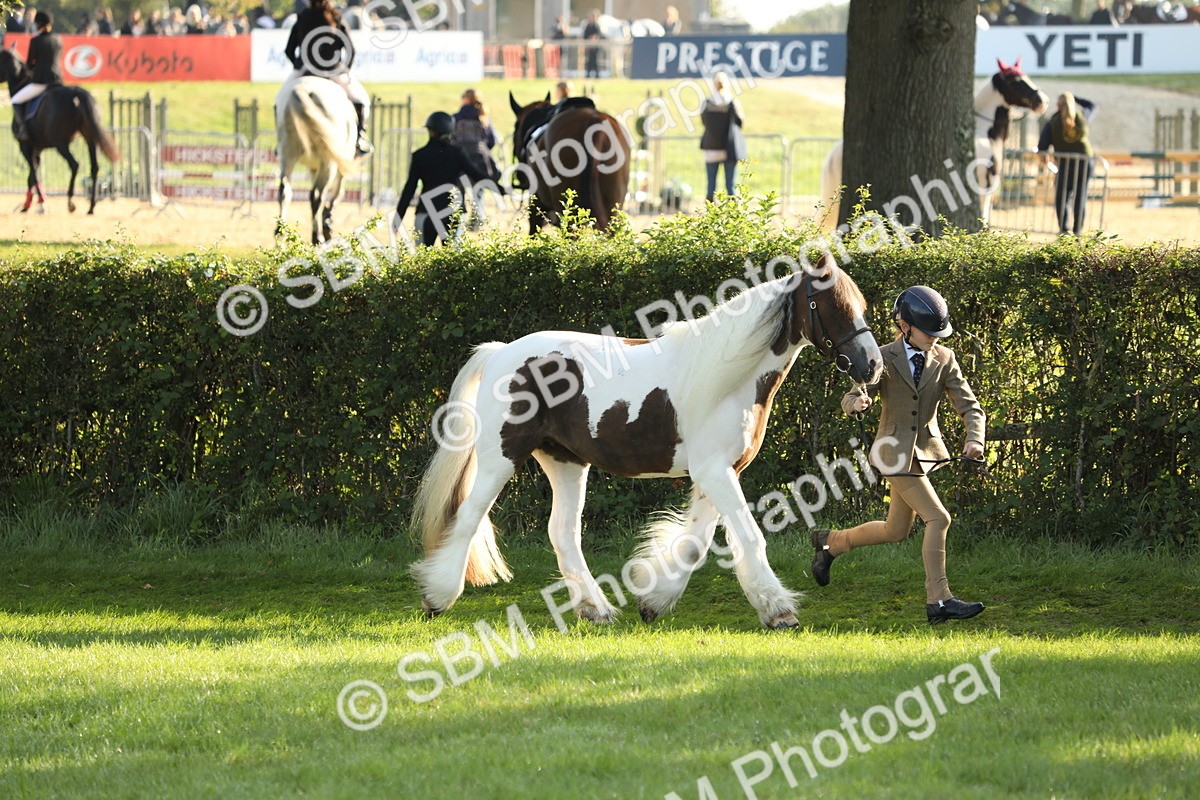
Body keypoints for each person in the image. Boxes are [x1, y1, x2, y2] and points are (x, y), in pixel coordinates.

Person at [810, 286, 988, 626]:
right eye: (928, 332)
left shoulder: (945, 359)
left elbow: (970, 407)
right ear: (904, 326)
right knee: (939, 519)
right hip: (891, 453)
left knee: (896, 530)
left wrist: (974, 439)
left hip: (923, 456)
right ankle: (939, 600)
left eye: (940, 333)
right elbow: (853, 395)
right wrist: (857, 402)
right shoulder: (881, 355)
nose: (934, 339)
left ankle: (831, 543)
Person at [394, 111, 498, 247]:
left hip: (426, 213)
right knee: (453, 262)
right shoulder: (458, 153)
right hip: (453, 212)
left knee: (422, 261)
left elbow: (409, 189)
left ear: (430, 131)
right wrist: (501, 188)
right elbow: (477, 175)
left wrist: (398, 219)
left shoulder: (419, 155)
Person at [284, 0, 373, 156]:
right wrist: (345, 69)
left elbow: (289, 50)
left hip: (306, 68)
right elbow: (351, 48)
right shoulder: (336, 16)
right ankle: (359, 138)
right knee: (361, 100)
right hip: (333, 69)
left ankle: (282, 140)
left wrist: (299, 65)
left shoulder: (303, 16)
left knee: (282, 98)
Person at [1037, 92, 1097, 237]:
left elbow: (1042, 147)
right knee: (1080, 198)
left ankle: (1064, 232)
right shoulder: (1081, 116)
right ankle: (1077, 232)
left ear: (1058, 105)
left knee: (1062, 198)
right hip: (1085, 162)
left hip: (1065, 165)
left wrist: (1048, 159)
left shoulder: (1053, 122)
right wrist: (1075, 98)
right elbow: (1092, 105)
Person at [10, 10, 64, 142]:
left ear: (39, 24)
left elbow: (29, 65)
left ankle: (23, 129)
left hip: (41, 82)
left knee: (15, 100)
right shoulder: (58, 39)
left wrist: (30, 69)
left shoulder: (36, 41)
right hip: (58, 81)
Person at [453, 88, 501, 228]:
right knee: (478, 190)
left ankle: (458, 220)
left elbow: (451, 138)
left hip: (460, 159)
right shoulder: (484, 118)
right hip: (479, 160)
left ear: (466, 99)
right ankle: (476, 220)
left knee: (459, 190)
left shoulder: (456, 117)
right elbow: (491, 141)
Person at [699, 71, 745, 202]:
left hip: (711, 148)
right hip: (729, 148)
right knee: (730, 185)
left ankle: (709, 215)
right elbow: (740, 122)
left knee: (711, 186)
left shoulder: (707, 103)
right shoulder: (732, 103)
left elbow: (703, 122)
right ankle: (733, 215)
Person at [582, 10, 602, 78]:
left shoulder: (596, 25)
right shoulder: (588, 26)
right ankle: (588, 74)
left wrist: (594, 38)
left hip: (595, 47)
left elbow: (599, 35)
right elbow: (585, 36)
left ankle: (597, 75)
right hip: (589, 47)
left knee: (596, 61)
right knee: (589, 61)